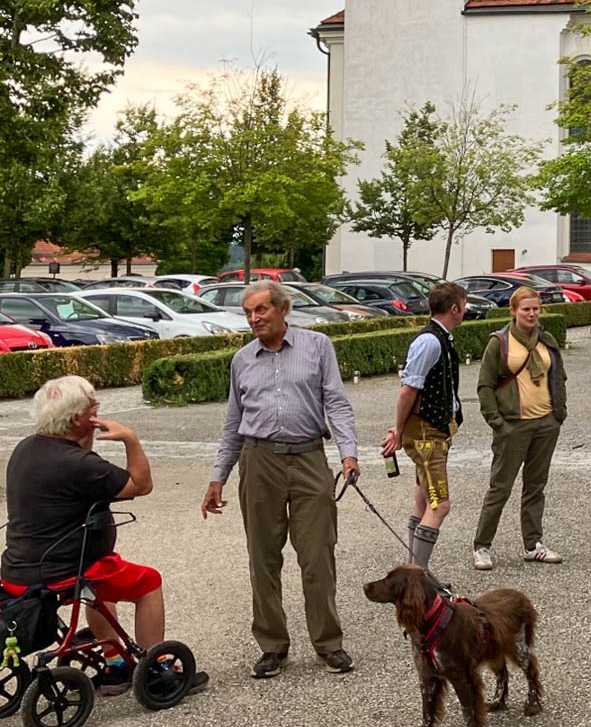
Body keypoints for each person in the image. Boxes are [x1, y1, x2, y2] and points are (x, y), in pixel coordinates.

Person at [2, 377, 207, 695]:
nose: (98, 409)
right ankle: (159, 668)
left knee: (102, 585)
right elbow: (140, 485)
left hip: (19, 569)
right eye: (92, 405)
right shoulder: (79, 464)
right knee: (148, 582)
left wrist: (85, 439)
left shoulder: (27, 448)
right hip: (64, 570)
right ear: (76, 419)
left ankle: (115, 664)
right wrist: (130, 439)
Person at [202, 282, 360, 678]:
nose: (254, 319)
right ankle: (272, 646)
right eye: (248, 312)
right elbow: (233, 423)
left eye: (261, 310)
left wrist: (349, 453)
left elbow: (337, 403)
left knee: (318, 555)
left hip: (309, 458)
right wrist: (218, 475)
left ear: (281, 309)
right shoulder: (242, 359)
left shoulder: (317, 346)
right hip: (259, 463)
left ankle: (328, 644)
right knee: (263, 557)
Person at [473, 286, 568, 570]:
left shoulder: (546, 340)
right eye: (526, 309)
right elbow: (485, 386)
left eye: (535, 309)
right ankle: (482, 546)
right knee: (500, 488)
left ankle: (532, 543)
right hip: (513, 426)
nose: (532, 314)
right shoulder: (499, 343)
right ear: (513, 311)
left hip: (545, 423)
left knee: (535, 487)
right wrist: (498, 423)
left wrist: (558, 415)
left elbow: (558, 376)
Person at [379, 281, 467, 572]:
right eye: (463, 306)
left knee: (422, 499)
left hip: (432, 431)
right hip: (427, 436)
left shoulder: (439, 338)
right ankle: (417, 579)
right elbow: (408, 389)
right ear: (454, 308)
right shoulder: (430, 341)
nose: (465, 310)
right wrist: (398, 430)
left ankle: (413, 571)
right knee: (439, 504)